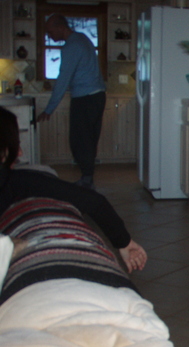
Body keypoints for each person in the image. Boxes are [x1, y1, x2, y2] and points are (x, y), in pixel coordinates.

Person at [0, 106, 146, 277]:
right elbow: (93, 202)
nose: (20, 153)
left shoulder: (15, 180)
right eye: (15, 144)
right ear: (4, 151)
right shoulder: (16, 181)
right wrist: (124, 243)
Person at [37, 13, 106, 190]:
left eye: (50, 31)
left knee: (80, 140)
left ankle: (87, 181)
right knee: (88, 139)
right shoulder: (82, 38)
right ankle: (87, 178)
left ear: (60, 27)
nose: (49, 35)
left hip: (85, 98)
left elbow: (63, 79)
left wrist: (49, 109)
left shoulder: (71, 46)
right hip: (96, 96)